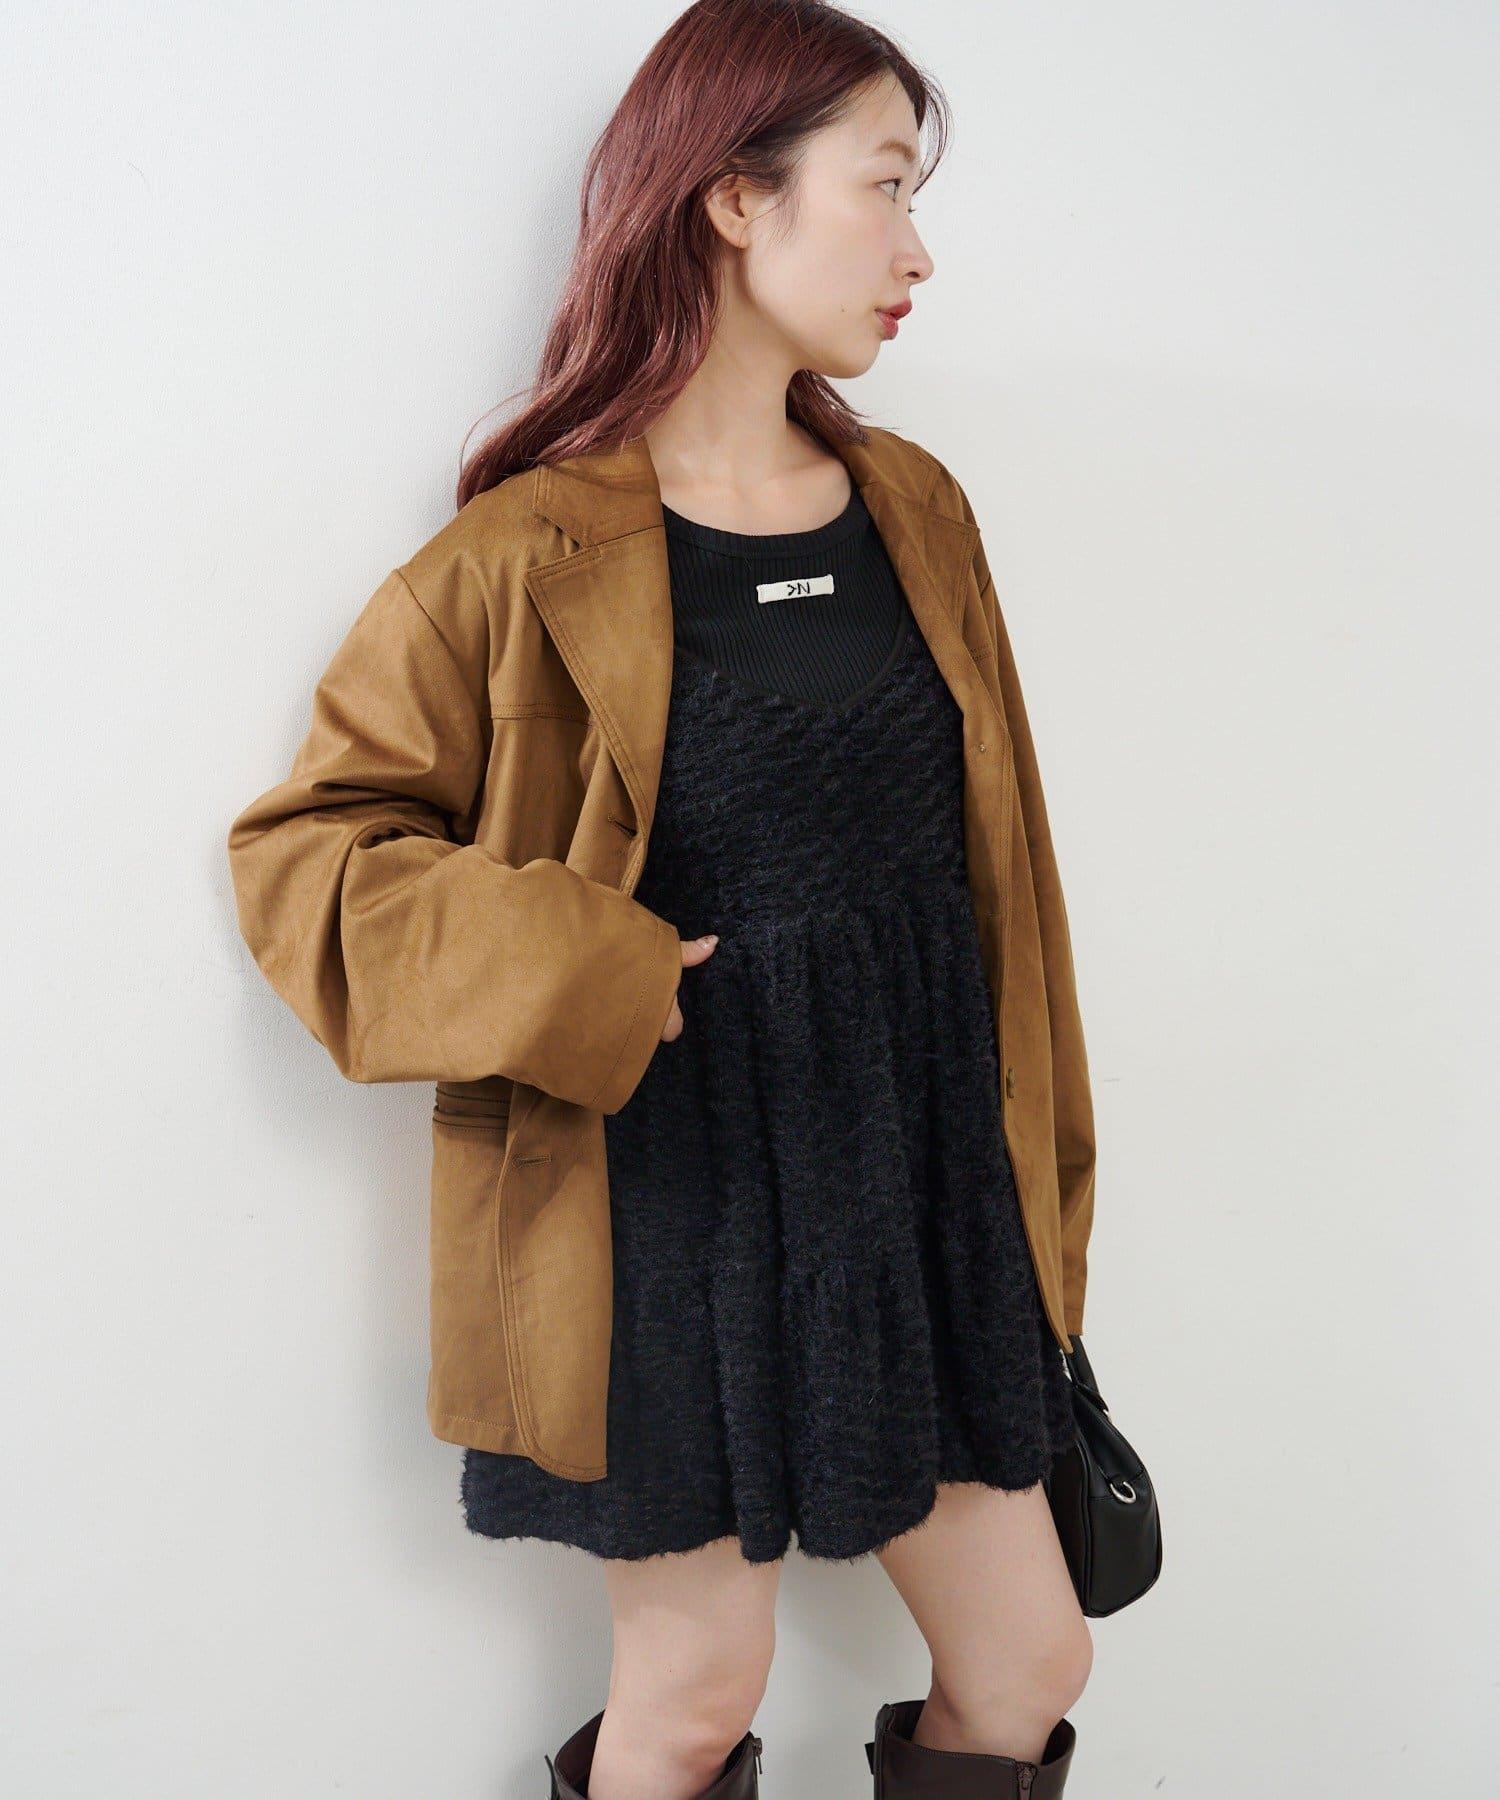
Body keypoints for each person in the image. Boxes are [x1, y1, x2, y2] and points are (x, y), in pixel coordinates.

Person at [227, 3, 1098, 1795]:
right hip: (663, 1200)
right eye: (885, 188)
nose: (919, 250)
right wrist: (582, 965)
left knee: (1026, 1657)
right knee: (695, 1692)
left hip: (920, 1180)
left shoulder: (916, 510)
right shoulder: (521, 555)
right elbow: (309, 858)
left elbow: (1005, 877)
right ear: (731, 199)